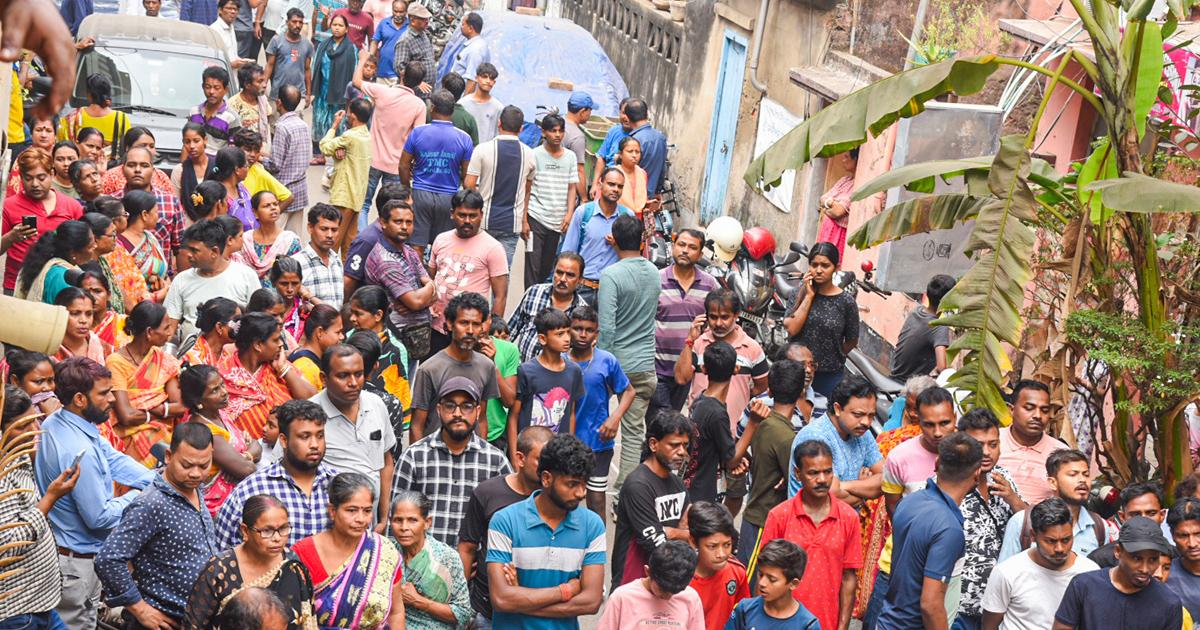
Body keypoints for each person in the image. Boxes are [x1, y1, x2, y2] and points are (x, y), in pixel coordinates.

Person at [35, 357, 156, 629]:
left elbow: (112, 458)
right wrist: (138, 494)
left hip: (65, 555)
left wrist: (155, 479)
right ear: (80, 399)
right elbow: (98, 517)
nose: (112, 399)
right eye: (103, 393)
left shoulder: (58, 421)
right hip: (75, 566)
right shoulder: (81, 452)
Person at [95, 423, 218, 629]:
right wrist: (140, 609)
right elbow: (108, 559)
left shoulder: (195, 489)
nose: (196, 473)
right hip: (161, 621)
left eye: (203, 466)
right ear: (169, 456)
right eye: (187, 465)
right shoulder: (151, 503)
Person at [486, 432, 606, 628]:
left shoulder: (592, 525)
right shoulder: (505, 521)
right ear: (547, 478)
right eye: (572, 484)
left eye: (585, 484)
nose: (581, 493)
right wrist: (566, 590)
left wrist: (520, 601)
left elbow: (591, 602)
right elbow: (501, 598)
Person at [877, 432, 983, 629]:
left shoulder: (909, 502)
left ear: (937, 463)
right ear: (977, 473)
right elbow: (930, 604)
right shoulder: (949, 529)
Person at [758, 438, 862, 630]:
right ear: (797, 474)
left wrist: (842, 627)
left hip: (826, 623)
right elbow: (765, 573)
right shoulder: (780, 516)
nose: (822, 479)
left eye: (827, 471)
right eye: (813, 473)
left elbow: (849, 577)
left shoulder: (848, 517)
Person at [394, 375, 511, 545]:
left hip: (474, 559)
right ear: (439, 410)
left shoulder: (496, 462)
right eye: (450, 406)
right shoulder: (414, 457)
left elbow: (509, 520)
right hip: (422, 559)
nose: (457, 413)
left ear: (478, 411)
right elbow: (395, 517)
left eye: (466, 406)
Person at [457, 425, 553, 627]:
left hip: (540, 611)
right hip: (486, 611)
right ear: (520, 458)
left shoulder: (556, 499)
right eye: (541, 460)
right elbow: (467, 548)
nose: (548, 468)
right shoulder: (487, 493)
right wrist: (462, 605)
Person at [0, 385, 79, 630]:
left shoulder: (18, 455)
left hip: (39, 603)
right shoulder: (3, 475)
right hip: (17, 612)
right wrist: (50, 499)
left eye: (34, 420)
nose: (34, 431)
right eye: (22, 426)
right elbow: (7, 546)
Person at [214, 399, 337, 549]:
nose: (315, 445)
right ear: (284, 441)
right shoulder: (251, 491)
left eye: (320, 436)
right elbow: (225, 553)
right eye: (304, 437)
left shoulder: (338, 485)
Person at [184, 495, 318, 630]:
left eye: (283, 529)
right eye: (267, 531)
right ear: (245, 531)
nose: (277, 538)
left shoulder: (292, 565)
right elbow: (193, 625)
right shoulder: (220, 569)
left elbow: (306, 619)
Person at [293, 473, 406, 629]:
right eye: (352, 510)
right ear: (332, 511)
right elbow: (291, 615)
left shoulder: (384, 551)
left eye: (367, 511)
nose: (361, 519)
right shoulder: (304, 553)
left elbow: (396, 612)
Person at [598, 214, 660, 491]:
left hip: (616, 363)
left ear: (614, 241)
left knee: (596, 421)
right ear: (643, 240)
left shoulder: (611, 275)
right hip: (644, 364)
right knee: (634, 433)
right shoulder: (654, 272)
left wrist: (600, 366)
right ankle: (625, 495)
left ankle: (588, 481)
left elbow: (607, 327)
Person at [954, 408, 1028, 630]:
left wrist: (1013, 499)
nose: (986, 452)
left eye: (993, 444)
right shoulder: (949, 485)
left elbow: (1030, 523)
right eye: (979, 445)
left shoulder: (1003, 477)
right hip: (960, 608)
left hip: (1000, 606)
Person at [981, 497, 1101, 630]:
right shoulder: (1007, 572)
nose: (1060, 549)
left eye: (1066, 540)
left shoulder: (1090, 572)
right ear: (1033, 536)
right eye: (1051, 541)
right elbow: (989, 626)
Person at [312, 344, 396, 521]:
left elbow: (386, 461)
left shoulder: (376, 404)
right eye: (343, 376)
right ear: (324, 378)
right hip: (326, 522)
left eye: (358, 374)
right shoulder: (309, 415)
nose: (353, 383)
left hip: (370, 522)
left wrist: (383, 517)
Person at [1053, 516, 1183, 629]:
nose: (1145, 569)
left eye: (1153, 560)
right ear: (1118, 552)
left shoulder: (1169, 604)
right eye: (1137, 558)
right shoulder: (1084, 586)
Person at [612, 411, 693, 592]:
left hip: (666, 584)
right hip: (633, 584)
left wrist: (673, 533)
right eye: (674, 445)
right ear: (653, 444)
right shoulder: (638, 485)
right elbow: (655, 543)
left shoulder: (678, 484)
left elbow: (689, 524)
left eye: (685, 445)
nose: (682, 452)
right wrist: (685, 535)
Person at [739, 360, 805, 563]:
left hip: (756, 515)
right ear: (801, 393)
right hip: (763, 521)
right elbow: (797, 480)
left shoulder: (765, 423)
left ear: (769, 391)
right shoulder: (786, 438)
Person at [351, 51, 425, 230]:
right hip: (396, 165)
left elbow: (356, 81)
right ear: (419, 83)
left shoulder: (382, 91)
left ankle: (364, 240)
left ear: (402, 74)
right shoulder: (419, 106)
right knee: (390, 210)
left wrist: (362, 59)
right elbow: (417, 139)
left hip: (372, 159)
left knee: (364, 205)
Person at [428, 191, 510, 352]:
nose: (467, 221)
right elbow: (430, 278)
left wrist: (488, 331)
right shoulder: (441, 239)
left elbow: (500, 296)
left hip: (470, 333)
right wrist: (428, 303)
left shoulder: (493, 248)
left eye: (473, 216)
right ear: (452, 214)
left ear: (481, 215)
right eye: (462, 215)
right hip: (437, 326)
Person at [998, 449, 1112, 562]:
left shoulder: (1099, 527)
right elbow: (1004, 570)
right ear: (1053, 483)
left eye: (1086, 475)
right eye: (1073, 475)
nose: (1082, 480)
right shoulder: (1022, 522)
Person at [105, 301, 184, 463]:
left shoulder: (162, 359)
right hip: (128, 438)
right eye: (166, 328)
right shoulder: (116, 362)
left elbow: (180, 407)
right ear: (149, 332)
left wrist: (149, 409)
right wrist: (160, 412)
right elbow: (126, 416)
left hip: (163, 434)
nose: (170, 333)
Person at [683, 341, 761, 504]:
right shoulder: (717, 413)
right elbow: (732, 460)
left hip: (694, 484)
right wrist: (753, 423)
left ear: (704, 369)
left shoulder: (701, 400)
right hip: (702, 492)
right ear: (736, 369)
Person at [220, 311, 318, 440]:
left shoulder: (280, 366)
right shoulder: (223, 377)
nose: (281, 344)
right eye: (275, 340)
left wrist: (284, 370)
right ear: (258, 345)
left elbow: (313, 400)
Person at [400, 89, 475, 253]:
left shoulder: (418, 132)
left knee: (416, 246)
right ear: (452, 111)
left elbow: (403, 165)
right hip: (449, 197)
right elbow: (467, 175)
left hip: (420, 194)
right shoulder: (464, 138)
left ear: (432, 108)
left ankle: (418, 271)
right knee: (442, 247)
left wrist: (407, 191)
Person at [651, 228, 716, 417]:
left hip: (688, 370)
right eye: (681, 245)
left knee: (674, 423)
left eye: (692, 247)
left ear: (700, 254)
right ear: (673, 247)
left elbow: (718, 317)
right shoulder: (656, 279)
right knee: (660, 422)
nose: (685, 250)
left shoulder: (709, 284)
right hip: (657, 369)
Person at [362, 200, 437, 362]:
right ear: (383, 223)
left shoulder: (408, 251)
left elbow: (432, 295)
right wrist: (429, 289)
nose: (404, 227)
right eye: (398, 221)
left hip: (414, 338)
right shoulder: (385, 260)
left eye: (408, 222)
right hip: (394, 341)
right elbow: (416, 301)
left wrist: (428, 289)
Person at [788, 375, 883, 502]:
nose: (866, 422)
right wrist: (866, 490)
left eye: (871, 416)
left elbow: (887, 479)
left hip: (849, 514)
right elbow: (830, 496)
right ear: (837, 409)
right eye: (858, 414)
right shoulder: (815, 437)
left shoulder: (863, 433)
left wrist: (845, 486)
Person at [782, 241, 859, 399]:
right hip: (795, 372)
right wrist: (809, 296)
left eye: (825, 265)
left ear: (836, 268)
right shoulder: (799, 293)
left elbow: (851, 340)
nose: (818, 270)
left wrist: (833, 354)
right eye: (814, 265)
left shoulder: (846, 302)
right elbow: (792, 329)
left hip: (829, 376)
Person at [181, 364, 260, 516]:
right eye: (215, 390)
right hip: (219, 506)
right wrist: (249, 455)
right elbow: (247, 470)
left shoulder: (219, 414)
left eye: (222, 385)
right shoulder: (203, 430)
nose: (224, 392)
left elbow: (255, 445)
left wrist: (245, 456)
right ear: (198, 401)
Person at [3, 148, 84, 294]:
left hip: (60, 285)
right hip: (18, 285)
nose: (35, 184)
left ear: (51, 174)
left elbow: (84, 246)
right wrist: (11, 237)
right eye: (28, 178)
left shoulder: (71, 206)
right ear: (21, 178)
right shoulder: (9, 206)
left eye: (41, 178)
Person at [166, 220, 262, 341]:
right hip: (191, 351)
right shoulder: (181, 280)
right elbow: (169, 327)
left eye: (195, 250)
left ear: (214, 252)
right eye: (188, 249)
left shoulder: (246, 276)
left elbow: (258, 322)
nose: (189, 255)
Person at [390, 491, 473, 629]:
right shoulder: (386, 553)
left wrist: (418, 601)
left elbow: (463, 614)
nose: (404, 527)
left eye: (412, 520)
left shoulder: (446, 558)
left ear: (427, 522)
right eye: (398, 520)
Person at [464, 105, 535, 264]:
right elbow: (527, 191)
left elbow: (469, 184)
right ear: (521, 129)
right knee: (502, 271)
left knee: (477, 267)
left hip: (483, 221)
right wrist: (524, 220)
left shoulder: (482, 150)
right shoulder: (530, 155)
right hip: (511, 225)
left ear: (499, 124)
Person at [507, 308, 583, 447]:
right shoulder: (526, 371)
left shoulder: (574, 371)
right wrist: (514, 455)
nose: (567, 338)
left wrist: (570, 449)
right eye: (560, 334)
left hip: (558, 451)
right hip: (530, 450)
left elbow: (571, 414)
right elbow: (513, 417)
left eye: (568, 332)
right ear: (542, 339)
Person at [560, 167, 634, 303]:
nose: (616, 189)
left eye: (620, 186)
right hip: (582, 287)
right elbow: (568, 253)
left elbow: (632, 259)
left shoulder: (627, 217)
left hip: (611, 290)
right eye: (611, 184)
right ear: (600, 183)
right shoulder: (583, 213)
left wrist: (617, 245)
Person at [524, 113, 581, 285]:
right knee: (532, 265)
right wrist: (524, 219)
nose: (557, 135)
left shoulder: (570, 157)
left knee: (547, 266)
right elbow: (527, 188)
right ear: (544, 132)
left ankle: (541, 295)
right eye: (553, 131)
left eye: (561, 131)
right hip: (535, 217)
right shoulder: (534, 154)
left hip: (557, 221)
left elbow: (572, 187)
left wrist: (569, 214)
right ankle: (529, 297)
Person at [599, 540, 705, 630]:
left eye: (674, 592)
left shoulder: (691, 599)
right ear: (647, 571)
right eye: (662, 589)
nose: (667, 597)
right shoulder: (622, 598)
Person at [998, 379, 1068, 503]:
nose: (1037, 416)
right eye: (1029, 408)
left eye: (1044, 410)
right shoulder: (991, 443)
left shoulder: (1062, 454)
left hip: (1042, 515)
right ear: (1011, 410)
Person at [725, 539, 821, 629]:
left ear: (793, 583)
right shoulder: (744, 610)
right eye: (760, 574)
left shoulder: (808, 625)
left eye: (772, 579)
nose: (762, 583)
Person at [320, 97, 375, 255]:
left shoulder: (349, 137)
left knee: (332, 242)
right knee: (348, 246)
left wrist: (334, 125)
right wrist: (338, 153)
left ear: (354, 116)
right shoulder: (366, 136)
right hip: (357, 198)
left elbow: (324, 147)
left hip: (343, 197)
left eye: (349, 112)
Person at [347, 286, 414, 412]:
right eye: (352, 313)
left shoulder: (395, 350)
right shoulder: (346, 340)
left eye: (358, 314)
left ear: (378, 315)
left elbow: (401, 394)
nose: (352, 318)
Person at [509, 253, 585, 361]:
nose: (563, 279)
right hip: (522, 367)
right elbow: (510, 331)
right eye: (559, 272)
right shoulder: (534, 293)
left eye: (570, 275)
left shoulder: (582, 312)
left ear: (580, 280)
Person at [119, 145, 185, 268]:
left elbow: (180, 246)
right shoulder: (112, 202)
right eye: (131, 165)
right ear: (122, 169)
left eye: (144, 165)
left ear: (153, 170)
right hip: (120, 274)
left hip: (161, 277)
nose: (137, 170)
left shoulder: (170, 202)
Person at [688, 502, 750, 630]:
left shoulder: (737, 572)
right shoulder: (680, 579)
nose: (721, 554)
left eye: (727, 545)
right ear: (693, 542)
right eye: (712, 546)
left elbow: (743, 615)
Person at [311, 15, 359, 165]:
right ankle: (319, 155)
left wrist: (352, 95)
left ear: (346, 29)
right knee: (319, 121)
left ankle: (338, 154)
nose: (337, 28)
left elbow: (354, 71)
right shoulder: (323, 46)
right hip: (322, 90)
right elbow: (314, 67)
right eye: (334, 25)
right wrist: (312, 91)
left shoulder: (351, 49)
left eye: (340, 25)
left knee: (338, 123)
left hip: (341, 92)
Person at [265, 86, 312, 234]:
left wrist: (260, 159)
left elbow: (275, 165)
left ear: (279, 102)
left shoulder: (282, 127)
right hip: (300, 189)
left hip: (283, 192)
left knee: (274, 236)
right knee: (294, 237)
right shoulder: (303, 125)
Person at [890, 274, 955, 381]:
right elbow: (942, 368)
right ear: (949, 301)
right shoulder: (938, 326)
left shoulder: (916, 311)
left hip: (895, 374)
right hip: (908, 384)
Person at [15, 219, 94, 303]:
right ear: (73, 252)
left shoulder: (46, 263)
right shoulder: (63, 278)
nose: (95, 247)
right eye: (90, 246)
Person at [237, 192, 303, 282]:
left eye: (275, 204)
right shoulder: (244, 241)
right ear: (255, 212)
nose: (273, 208)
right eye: (266, 206)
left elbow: (295, 275)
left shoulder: (289, 241)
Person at [116, 189, 170, 300]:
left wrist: (166, 287)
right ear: (145, 214)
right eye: (156, 212)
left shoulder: (150, 237)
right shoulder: (119, 243)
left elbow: (165, 276)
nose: (158, 217)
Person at [56, 74, 132, 152]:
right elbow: (129, 148)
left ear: (89, 95)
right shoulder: (121, 119)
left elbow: (61, 148)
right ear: (109, 94)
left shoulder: (71, 120)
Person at [293, 204, 344, 309]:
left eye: (334, 230)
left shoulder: (337, 261)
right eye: (324, 229)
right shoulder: (297, 263)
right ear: (310, 228)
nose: (330, 235)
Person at [815, 149, 859, 259]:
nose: (843, 160)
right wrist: (830, 203)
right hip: (827, 233)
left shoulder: (857, 186)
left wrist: (827, 205)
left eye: (846, 157)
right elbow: (822, 198)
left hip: (839, 236)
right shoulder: (845, 180)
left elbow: (838, 211)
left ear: (855, 159)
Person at [235, 130, 293, 213]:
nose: (253, 155)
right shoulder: (226, 168)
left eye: (257, 151)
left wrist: (265, 217)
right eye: (248, 150)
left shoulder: (259, 173)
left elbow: (288, 197)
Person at [288, 304, 343, 388]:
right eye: (338, 332)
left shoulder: (311, 357)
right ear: (320, 332)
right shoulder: (305, 367)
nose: (342, 337)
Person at [190, 66, 242, 154]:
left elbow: (234, 150)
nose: (211, 92)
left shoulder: (231, 117)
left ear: (226, 90)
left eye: (217, 88)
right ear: (203, 87)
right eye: (208, 87)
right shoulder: (194, 112)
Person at [623, 97, 668, 198]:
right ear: (647, 114)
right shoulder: (660, 138)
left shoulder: (633, 141)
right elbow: (662, 168)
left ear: (628, 118)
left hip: (633, 195)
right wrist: (658, 191)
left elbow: (626, 170)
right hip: (650, 195)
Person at [265, 10, 315, 101]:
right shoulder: (276, 41)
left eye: (300, 22)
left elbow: (307, 69)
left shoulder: (307, 44)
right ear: (287, 22)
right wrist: (263, 85)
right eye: (294, 22)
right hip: (278, 93)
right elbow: (270, 65)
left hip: (299, 94)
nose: (297, 25)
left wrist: (308, 93)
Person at [230, 64, 274, 157]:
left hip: (259, 152)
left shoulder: (263, 100)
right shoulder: (233, 105)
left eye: (264, 81)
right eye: (259, 81)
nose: (265, 85)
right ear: (247, 85)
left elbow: (267, 121)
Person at [391, 3, 436, 92]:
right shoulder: (405, 40)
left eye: (427, 19)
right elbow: (399, 68)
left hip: (428, 91)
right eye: (423, 19)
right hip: (414, 91)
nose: (427, 21)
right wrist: (418, 82)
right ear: (412, 20)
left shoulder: (424, 35)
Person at [1168, 498, 1200, 622]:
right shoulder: (1164, 578)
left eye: (1198, 534)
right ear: (1172, 535)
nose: (1192, 543)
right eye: (1184, 536)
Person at [6, 349, 62, 418]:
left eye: (50, 380)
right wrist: (53, 417)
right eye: (38, 381)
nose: (47, 388)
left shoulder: (59, 407)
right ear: (16, 381)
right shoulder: (8, 415)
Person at [371, 0, 409, 85]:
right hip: (383, 71)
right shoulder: (384, 23)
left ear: (406, 12)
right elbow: (375, 41)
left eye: (401, 12)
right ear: (392, 10)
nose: (398, 14)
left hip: (401, 75)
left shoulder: (410, 26)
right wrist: (371, 57)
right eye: (395, 11)